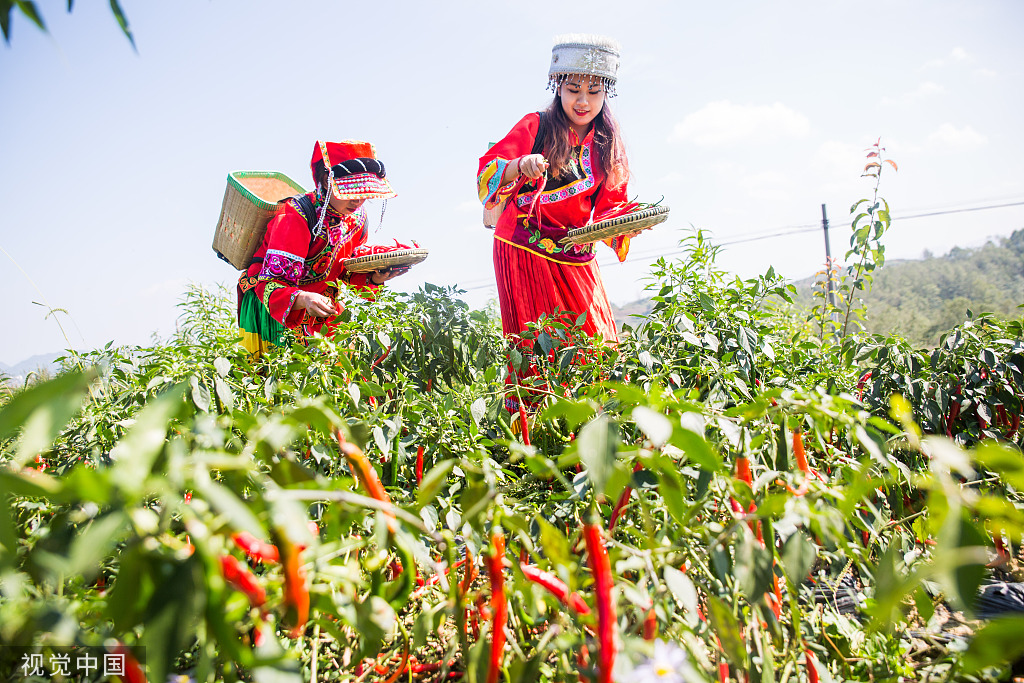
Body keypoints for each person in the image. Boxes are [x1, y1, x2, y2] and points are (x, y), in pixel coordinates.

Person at [476, 34, 638, 409]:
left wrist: (627, 223)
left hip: (577, 250)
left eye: (594, 92)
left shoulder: (608, 142)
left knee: (599, 345)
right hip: (523, 246)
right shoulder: (537, 125)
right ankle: (537, 441)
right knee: (538, 347)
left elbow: (613, 203)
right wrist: (521, 164)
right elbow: (489, 170)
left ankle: (604, 428)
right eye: (574, 89)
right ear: (558, 87)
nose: (583, 101)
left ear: (606, 94)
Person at [237, 140, 401, 357]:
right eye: (351, 191)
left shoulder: (357, 219)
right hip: (276, 306)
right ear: (326, 179)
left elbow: (344, 268)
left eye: (364, 193)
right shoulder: (295, 216)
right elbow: (272, 283)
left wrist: (375, 278)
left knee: (339, 374)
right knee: (283, 378)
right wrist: (302, 298)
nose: (359, 201)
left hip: (320, 302)